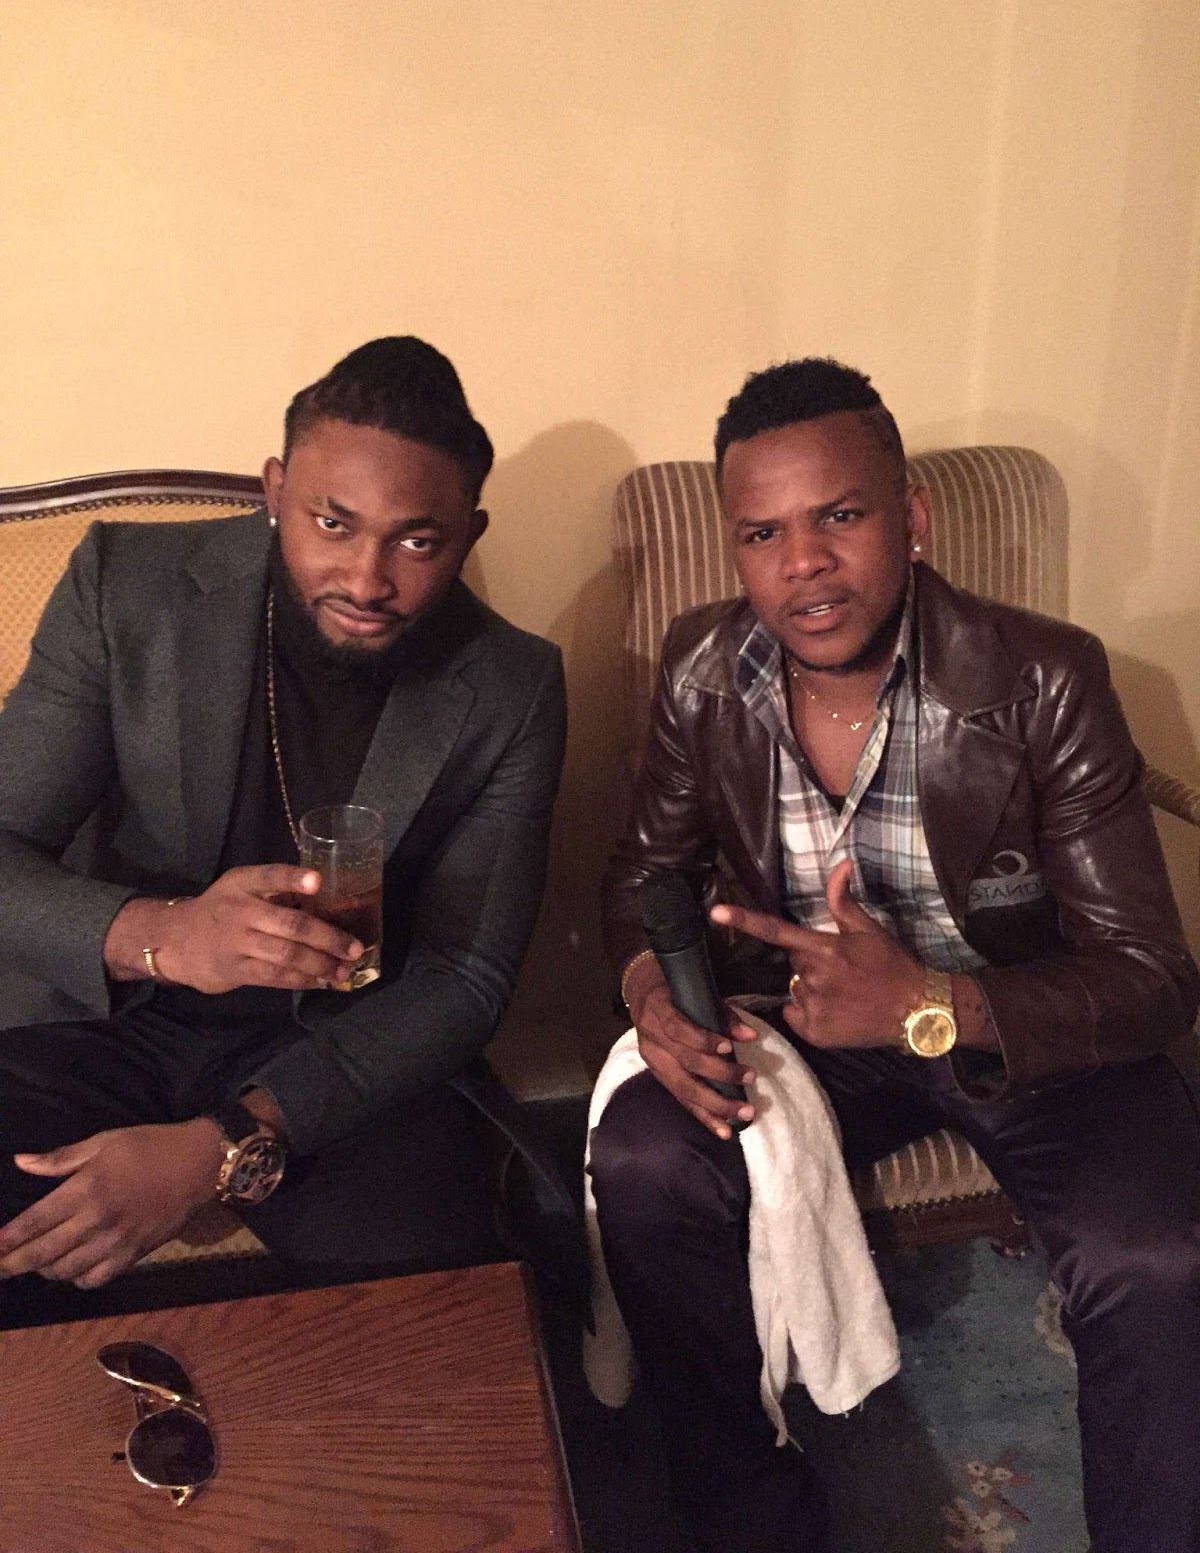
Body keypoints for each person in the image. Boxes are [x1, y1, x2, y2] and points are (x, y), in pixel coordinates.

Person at [591, 358, 1200, 1553]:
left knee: (1156, 1260)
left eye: (840, 515)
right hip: (814, 1030)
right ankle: (749, 1512)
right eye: (763, 533)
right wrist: (650, 988)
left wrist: (930, 1001)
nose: (804, 564)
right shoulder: (704, 669)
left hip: (1027, 1023)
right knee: (645, 1159)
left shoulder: (1046, 678)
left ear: (911, 520)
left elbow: (1149, 977)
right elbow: (639, 876)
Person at [0, 335, 568, 1315]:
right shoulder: (123, 584)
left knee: (441, 1294)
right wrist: (162, 934)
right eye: (332, 523)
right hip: (107, 1019)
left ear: (469, 533)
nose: (367, 578)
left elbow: (465, 977)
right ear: (275, 489)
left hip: (340, 1057)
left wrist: (224, 1146)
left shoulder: (512, 685)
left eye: (416, 542)